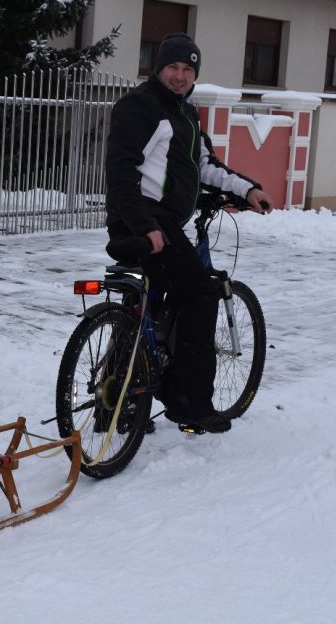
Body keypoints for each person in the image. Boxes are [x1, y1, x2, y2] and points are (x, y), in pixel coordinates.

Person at [104, 32, 274, 434]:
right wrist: (146, 225)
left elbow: (206, 166)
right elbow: (121, 173)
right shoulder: (140, 108)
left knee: (155, 300)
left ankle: (126, 396)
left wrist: (247, 190)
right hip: (144, 219)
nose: (179, 76)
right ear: (157, 69)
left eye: (187, 69)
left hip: (161, 221)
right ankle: (189, 404)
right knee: (201, 293)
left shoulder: (185, 114)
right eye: (172, 68)